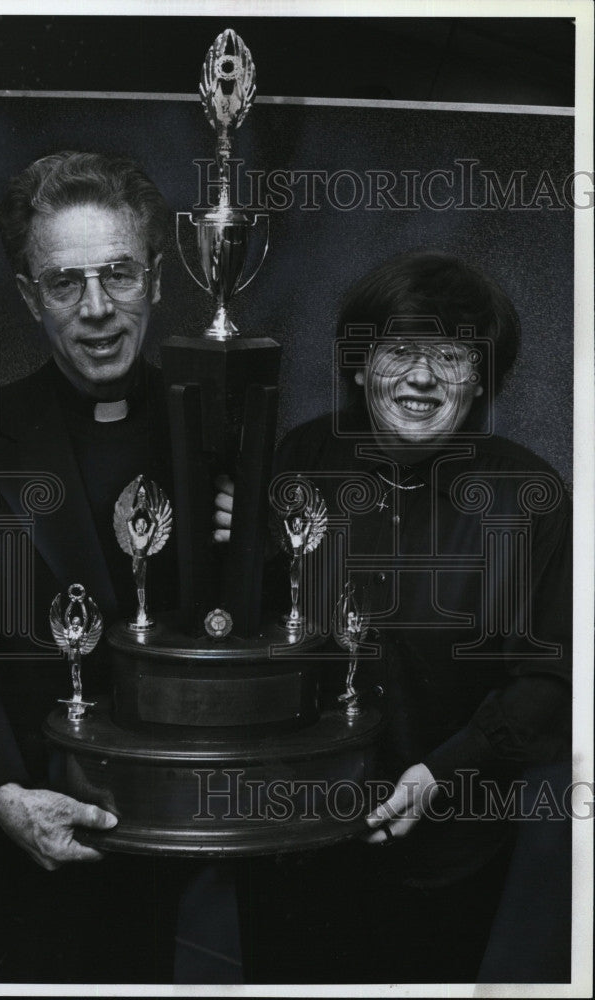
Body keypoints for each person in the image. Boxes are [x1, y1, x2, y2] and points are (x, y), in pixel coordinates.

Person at [214, 251, 572, 983]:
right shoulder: (300, 458)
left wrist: (441, 773)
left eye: (451, 355)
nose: (421, 377)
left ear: (482, 378)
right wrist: (229, 549)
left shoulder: (528, 495)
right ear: (357, 363)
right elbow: (254, 637)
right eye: (400, 350)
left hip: (446, 851)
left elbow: (551, 680)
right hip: (292, 836)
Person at [0, 151, 203, 983]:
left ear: (157, 279)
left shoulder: (220, 431)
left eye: (119, 274)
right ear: (28, 296)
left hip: (172, 837)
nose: (97, 309)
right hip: (20, 836)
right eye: (64, 283)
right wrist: (4, 794)